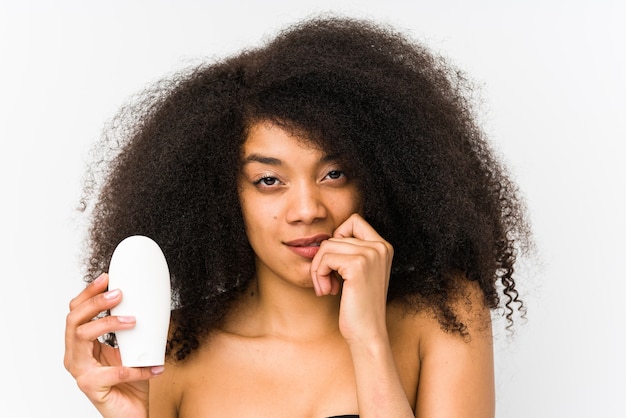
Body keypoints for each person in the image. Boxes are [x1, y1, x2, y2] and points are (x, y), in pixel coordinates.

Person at [64, 16, 530, 418]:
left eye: (334, 173)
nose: (307, 210)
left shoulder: (444, 315)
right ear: (224, 196)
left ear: (378, 175)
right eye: (269, 181)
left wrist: (368, 341)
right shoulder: (167, 350)